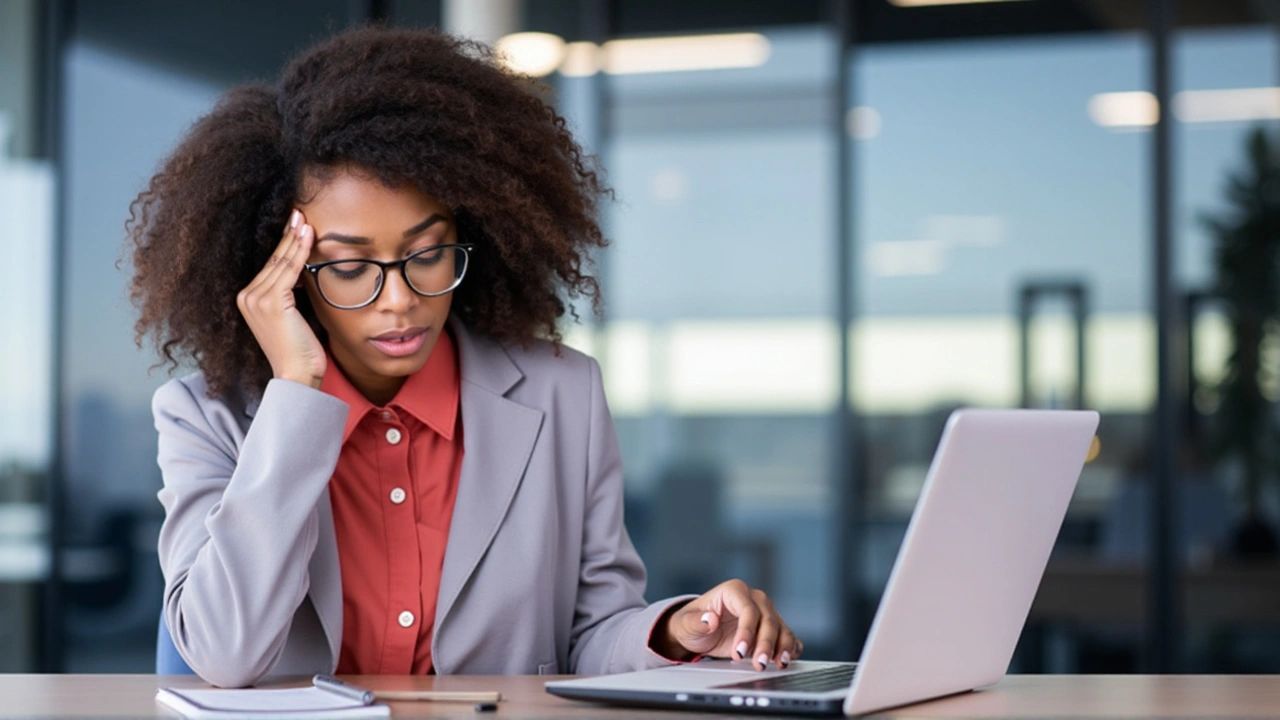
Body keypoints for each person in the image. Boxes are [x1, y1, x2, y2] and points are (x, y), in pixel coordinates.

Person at [128, 26, 799, 688]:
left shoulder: (563, 395)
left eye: (427, 254)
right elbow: (222, 652)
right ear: (287, 271)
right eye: (352, 267)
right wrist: (297, 399)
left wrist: (680, 629)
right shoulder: (205, 417)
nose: (399, 300)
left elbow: (591, 634)